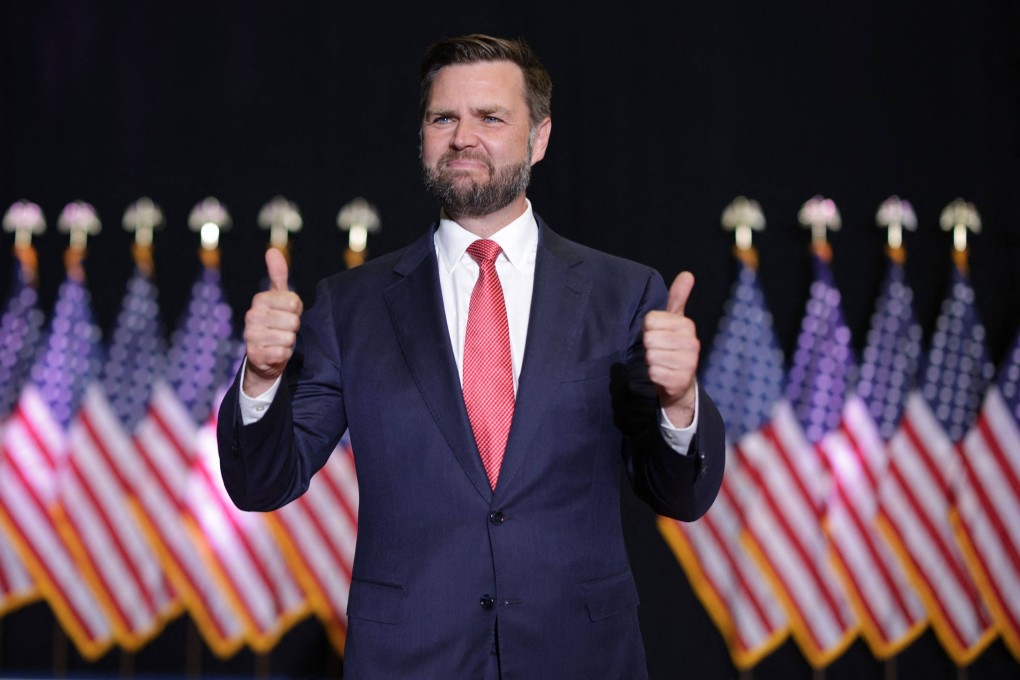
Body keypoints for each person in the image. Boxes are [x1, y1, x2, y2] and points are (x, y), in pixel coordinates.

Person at [217, 33, 725, 680]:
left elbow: (680, 496)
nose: (463, 137)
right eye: (443, 118)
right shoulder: (351, 306)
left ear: (539, 139)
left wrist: (680, 402)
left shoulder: (623, 294)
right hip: (408, 660)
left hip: (579, 656)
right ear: (423, 134)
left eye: (490, 117)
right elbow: (262, 483)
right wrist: (262, 380)